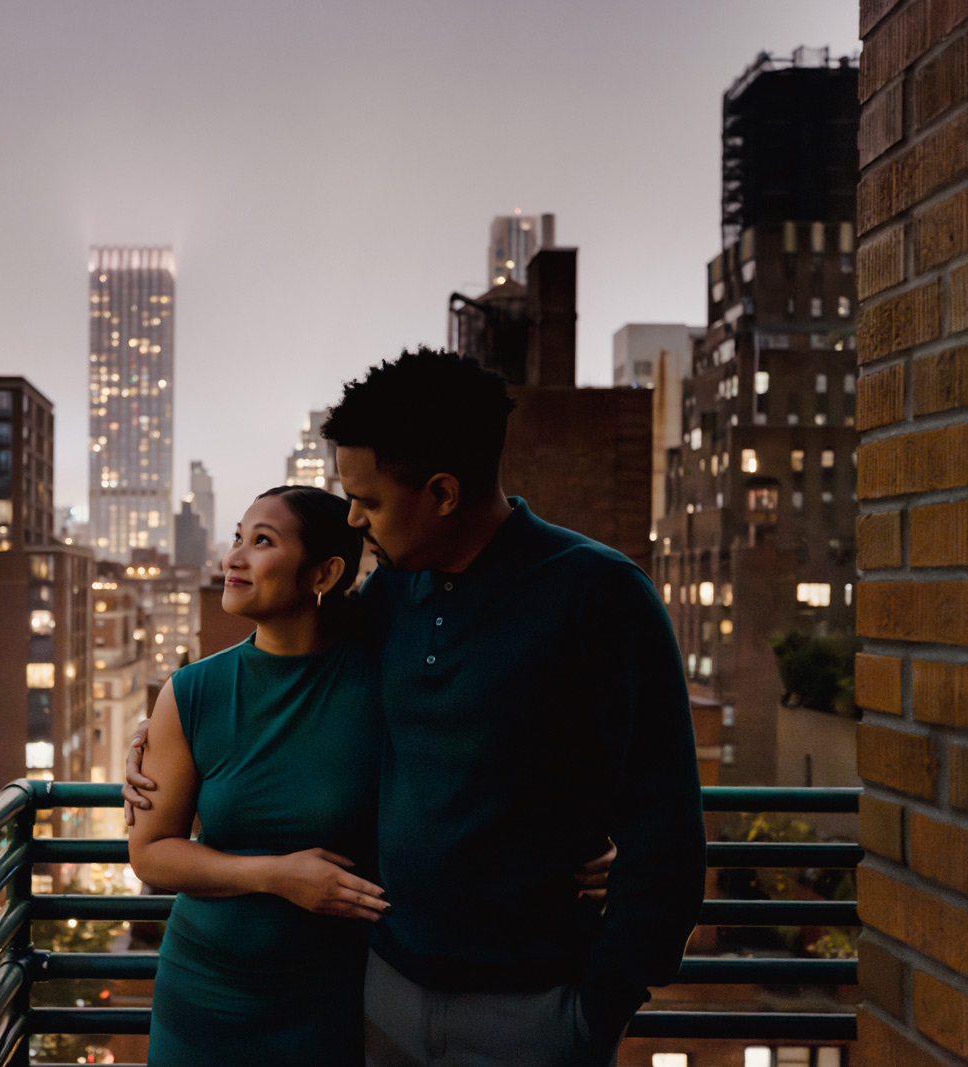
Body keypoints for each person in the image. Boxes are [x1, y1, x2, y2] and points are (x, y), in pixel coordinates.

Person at [129, 349, 705, 1067]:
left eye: (368, 499)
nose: (353, 516)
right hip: (381, 996)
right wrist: (154, 737)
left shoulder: (601, 597)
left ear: (441, 493)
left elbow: (667, 823)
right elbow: (282, 672)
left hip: (536, 1011)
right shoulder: (389, 598)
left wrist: (602, 1003)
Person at [127, 485, 387, 1065]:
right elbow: (151, 854)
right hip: (201, 996)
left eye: (261, 542)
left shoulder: (381, 684)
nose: (234, 557)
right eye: (238, 538)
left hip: (333, 1000)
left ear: (324, 573)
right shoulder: (193, 691)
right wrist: (276, 875)